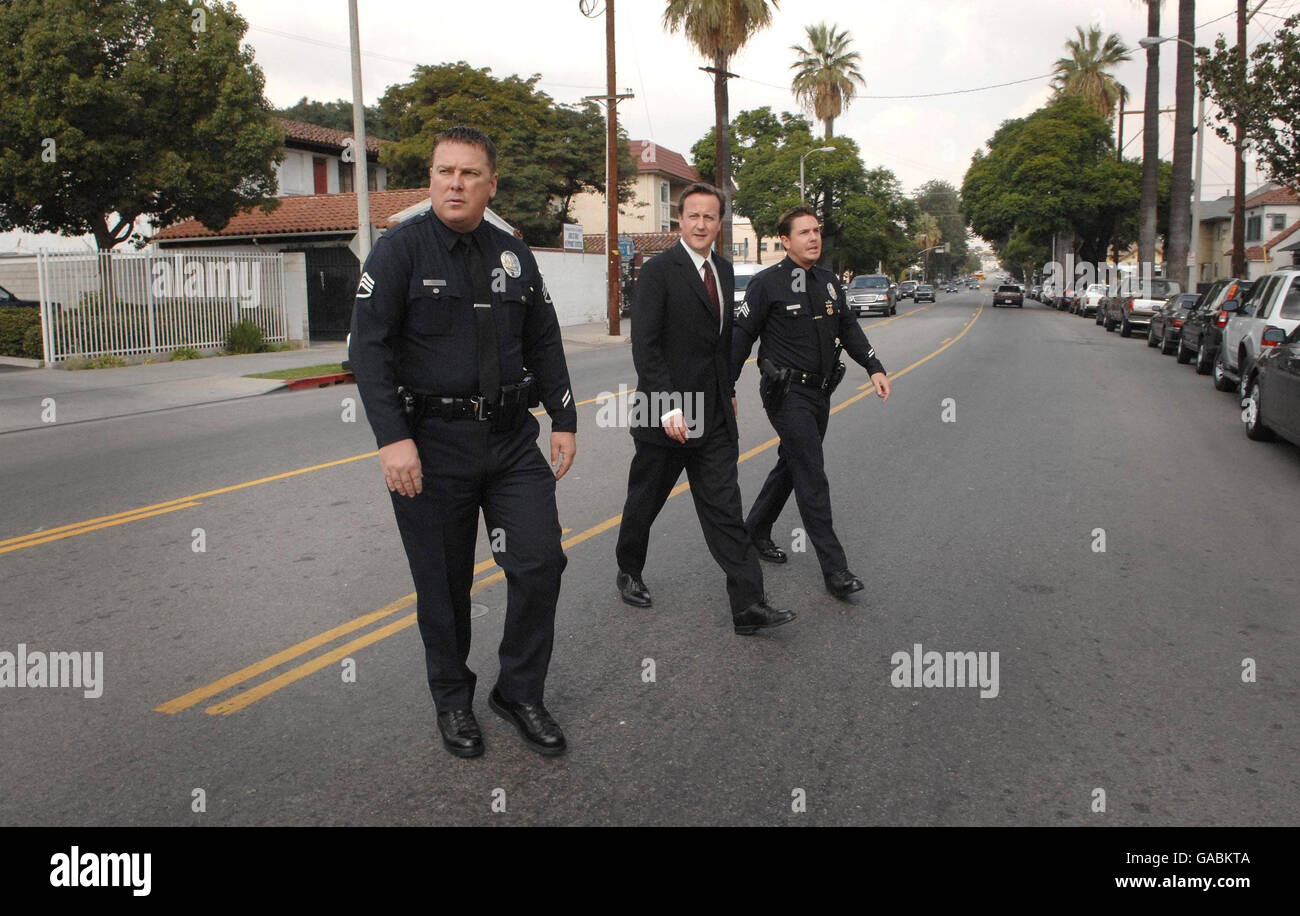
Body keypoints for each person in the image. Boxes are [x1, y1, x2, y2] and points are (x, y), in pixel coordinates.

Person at [349, 126, 577, 759]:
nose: (455, 183)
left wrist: (563, 417)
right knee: (444, 585)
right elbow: (366, 349)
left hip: (508, 443)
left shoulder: (513, 254)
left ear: (490, 184)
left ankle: (519, 690)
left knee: (540, 564)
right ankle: (454, 701)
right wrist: (393, 439)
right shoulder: (399, 251)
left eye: (469, 173)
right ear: (431, 178)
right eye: (444, 171)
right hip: (431, 446)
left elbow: (544, 340)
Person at [614, 182, 796, 635]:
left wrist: (728, 388)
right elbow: (646, 347)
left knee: (724, 509)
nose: (701, 224)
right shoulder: (658, 271)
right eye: (693, 215)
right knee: (645, 501)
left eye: (709, 217)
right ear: (680, 220)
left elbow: (719, 345)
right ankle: (629, 568)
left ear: (719, 223)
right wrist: (668, 406)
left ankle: (748, 606)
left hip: (713, 412)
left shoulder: (723, 268)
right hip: (666, 413)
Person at [731, 206, 892, 598]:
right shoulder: (767, 284)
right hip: (786, 395)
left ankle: (754, 530)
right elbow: (740, 337)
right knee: (811, 474)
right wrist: (726, 387)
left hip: (820, 393)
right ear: (785, 241)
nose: (813, 238)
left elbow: (849, 327)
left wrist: (874, 366)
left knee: (792, 463)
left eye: (816, 231)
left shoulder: (828, 281)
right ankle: (836, 571)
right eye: (803, 232)